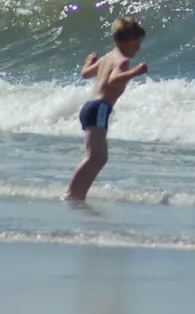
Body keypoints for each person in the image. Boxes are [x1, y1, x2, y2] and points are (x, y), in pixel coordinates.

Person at [64, 17, 149, 203]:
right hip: (100, 108)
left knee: (99, 157)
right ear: (128, 40)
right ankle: (72, 195)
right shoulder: (122, 61)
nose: (139, 48)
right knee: (95, 156)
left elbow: (85, 73)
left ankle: (78, 195)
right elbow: (113, 80)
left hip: (91, 107)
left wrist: (88, 62)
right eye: (137, 43)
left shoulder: (107, 57)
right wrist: (135, 73)